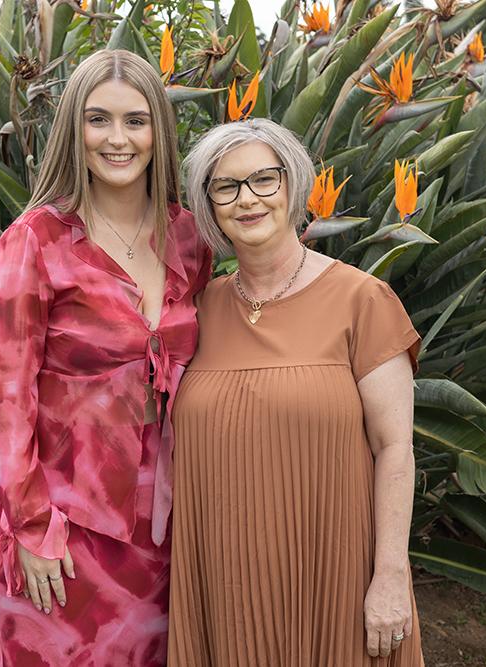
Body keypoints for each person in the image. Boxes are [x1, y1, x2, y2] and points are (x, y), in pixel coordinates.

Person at [0, 49, 211, 666]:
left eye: (136, 120)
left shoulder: (188, 237)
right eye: (98, 119)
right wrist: (30, 526)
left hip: (163, 526)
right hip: (62, 522)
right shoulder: (36, 241)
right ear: (72, 131)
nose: (118, 139)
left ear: (159, 129)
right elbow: (7, 396)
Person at [168, 118, 425, 666]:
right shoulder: (197, 311)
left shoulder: (363, 300)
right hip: (225, 586)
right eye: (226, 186)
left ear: (294, 186)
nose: (248, 199)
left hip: (334, 576)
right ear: (208, 205)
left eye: (265, 179)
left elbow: (395, 450)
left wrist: (390, 577)